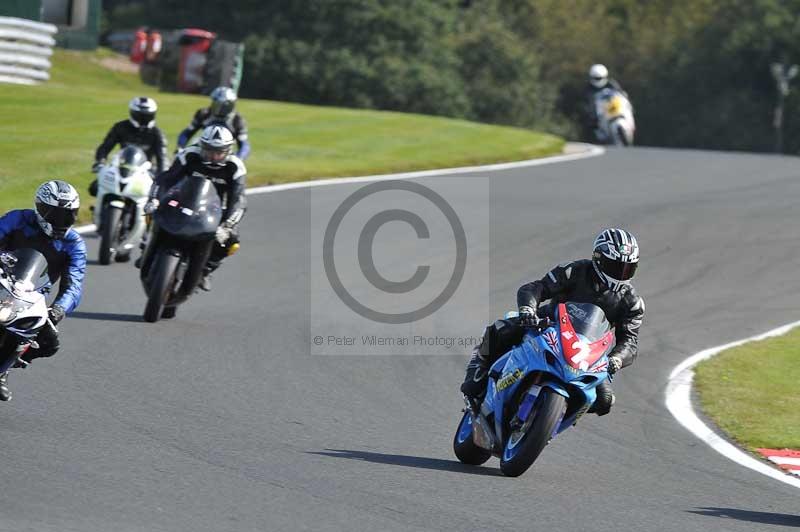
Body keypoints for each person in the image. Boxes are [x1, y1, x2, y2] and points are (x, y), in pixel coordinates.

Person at [461, 228, 644, 416]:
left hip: (587, 355)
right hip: (548, 326)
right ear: (599, 259)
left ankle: (554, 416)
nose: (621, 274)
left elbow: (630, 342)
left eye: (627, 268)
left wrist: (616, 359)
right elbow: (537, 288)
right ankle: (478, 370)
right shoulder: (575, 270)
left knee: (605, 401)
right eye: (615, 266)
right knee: (499, 330)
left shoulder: (632, 302)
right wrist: (528, 310)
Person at [0, 181, 86, 401]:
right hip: (2, 280)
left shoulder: (74, 243)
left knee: (50, 343)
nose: (62, 221)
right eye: (56, 215)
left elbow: (74, 283)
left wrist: (59, 308)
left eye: (69, 215)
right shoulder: (18, 219)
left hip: (31, 298)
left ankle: (3, 369)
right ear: (41, 208)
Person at [144, 125, 246, 291]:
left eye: (219, 152)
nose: (213, 156)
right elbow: (165, 179)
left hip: (213, 209)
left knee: (232, 241)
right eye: (209, 150)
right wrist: (154, 199)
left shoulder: (235, 167)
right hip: (181, 201)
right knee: (153, 213)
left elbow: (238, 200)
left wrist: (227, 225)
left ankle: (206, 269)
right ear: (201, 146)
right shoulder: (189, 155)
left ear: (228, 150)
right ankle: (148, 245)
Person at [89, 96, 168, 196]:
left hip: (145, 172)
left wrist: (161, 176)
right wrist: (100, 161)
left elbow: (162, 158)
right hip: (121, 166)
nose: (143, 120)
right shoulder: (120, 127)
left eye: (147, 116)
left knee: (156, 195)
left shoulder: (157, 134)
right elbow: (105, 147)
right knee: (94, 188)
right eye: (141, 116)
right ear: (133, 113)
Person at [175, 86, 250, 160]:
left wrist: (239, 157)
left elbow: (244, 144)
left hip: (223, 153)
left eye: (222, 105)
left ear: (230, 105)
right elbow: (187, 132)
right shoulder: (203, 113)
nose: (218, 107)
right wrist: (180, 147)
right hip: (202, 148)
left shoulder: (237, 120)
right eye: (215, 103)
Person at [585, 64, 628, 138]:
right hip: (601, 111)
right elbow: (588, 102)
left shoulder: (611, 83)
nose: (598, 80)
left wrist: (623, 96)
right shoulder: (589, 88)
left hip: (613, 107)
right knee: (591, 121)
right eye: (596, 78)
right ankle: (601, 132)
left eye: (599, 78)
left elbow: (620, 93)